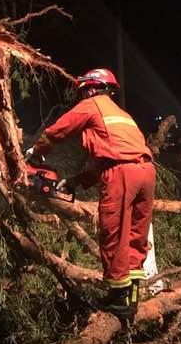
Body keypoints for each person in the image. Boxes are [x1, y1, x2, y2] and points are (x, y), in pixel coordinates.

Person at [27, 68, 155, 321]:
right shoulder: (122, 115)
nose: (83, 96)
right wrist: (78, 181)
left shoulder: (93, 104)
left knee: (113, 230)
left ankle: (119, 298)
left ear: (91, 88)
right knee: (135, 234)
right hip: (146, 172)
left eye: (84, 92)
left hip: (122, 173)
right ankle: (130, 296)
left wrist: (37, 153)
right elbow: (116, 155)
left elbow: (58, 130)